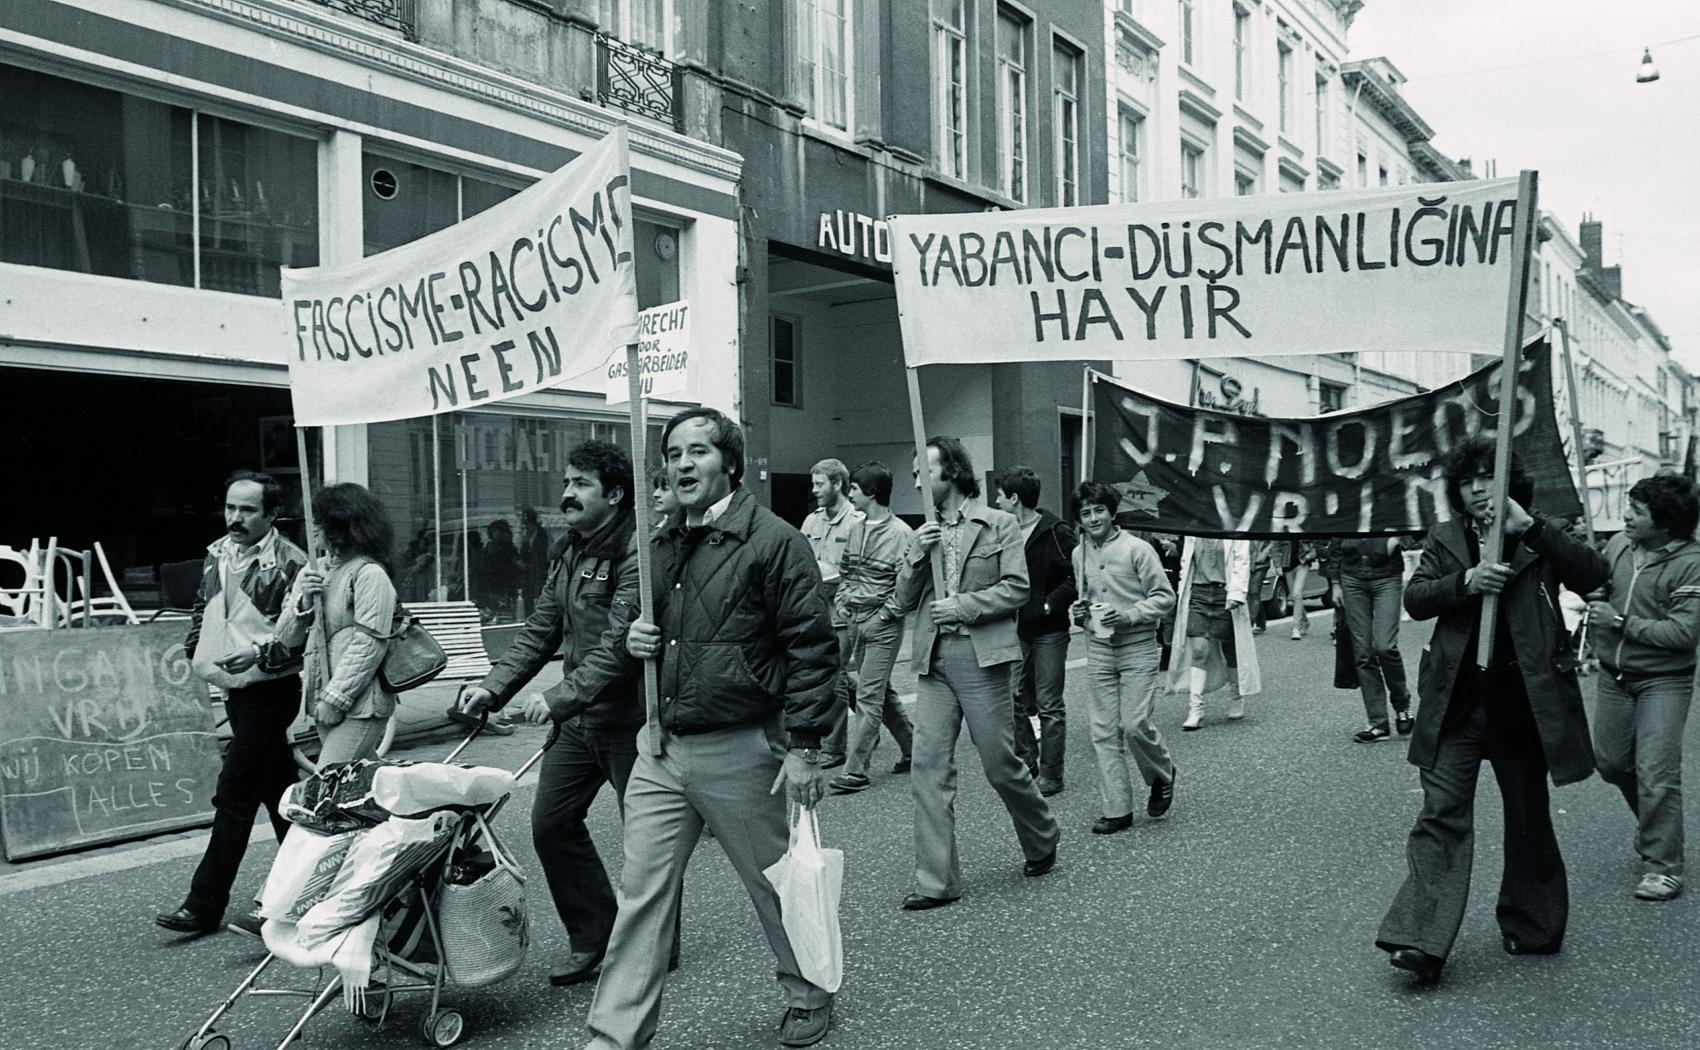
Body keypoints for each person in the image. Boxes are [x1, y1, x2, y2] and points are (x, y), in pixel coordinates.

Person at [587, 408, 839, 1050]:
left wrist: (807, 747)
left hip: (742, 745)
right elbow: (646, 635)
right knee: (641, 896)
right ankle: (614, 1035)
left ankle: (809, 990)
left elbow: (811, 646)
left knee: (774, 883)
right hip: (662, 747)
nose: (682, 463)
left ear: (728, 461)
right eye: (673, 453)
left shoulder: (775, 540)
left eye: (698, 451)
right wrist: (638, 641)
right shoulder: (660, 541)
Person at [1376, 437, 1608, 982]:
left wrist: (1530, 528)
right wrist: (1465, 582)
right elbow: (1416, 598)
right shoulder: (1446, 537)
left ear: (1511, 484)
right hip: (1456, 703)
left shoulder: (1539, 533)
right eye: (1467, 480)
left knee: (1527, 816)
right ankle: (1419, 941)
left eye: (1488, 477)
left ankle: (1532, 925)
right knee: (1440, 816)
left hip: (1525, 702)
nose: (1478, 489)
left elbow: (1593, 574)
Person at [459, 441, 668, 986]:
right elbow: (541, 629)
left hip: (631, 719)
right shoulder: (569, 548)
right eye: (567, 481)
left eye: (580, 483)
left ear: (616, 494)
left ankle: (654, 939)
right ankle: (595, 935)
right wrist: (494, 688)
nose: (566, 493)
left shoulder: (639, 553)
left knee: (644, 840)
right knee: (550, 825)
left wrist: (556, 699)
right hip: (578, 724)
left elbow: (620, 646)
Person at [894, 437, 1059, 910]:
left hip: (981, 657)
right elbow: (905, 601)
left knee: (999, 765)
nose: (916, 480)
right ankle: (936, 881)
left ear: (951, 471)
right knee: (927, 767)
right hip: (932, 658)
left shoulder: (999, 524)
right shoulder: (920, 531)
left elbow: (1017, 590)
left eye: (922, 470)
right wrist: (913, 557)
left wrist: (963, 606)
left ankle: (1042, 834)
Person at [156, 470, 308, 937]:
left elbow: (298, 638)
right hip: (233, 688)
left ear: (271, 514)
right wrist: (195, 650)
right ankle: (307, 884)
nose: (235, 518)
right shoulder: (217, 553)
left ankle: (203, 904)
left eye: (247, 510)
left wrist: (257, 654)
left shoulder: (293, 564)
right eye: (230, 508)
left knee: (234, 795)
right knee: (280, 795)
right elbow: (204, 606)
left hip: (271, 690)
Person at [1587, 474, 1700, 902]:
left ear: (1667, 524)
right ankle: (1656, 826)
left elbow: (1683, 633)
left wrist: (1618, 623)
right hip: (1614, 674)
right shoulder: (1619, 544)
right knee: (1612, 763)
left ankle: (1664, 865)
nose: (1626, 516)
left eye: (1637, 511)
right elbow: (1601, 585)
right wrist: (1595, 587)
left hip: (1664, 679)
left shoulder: (1691, 562)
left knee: (1656, 771)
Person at [1068, 481, 1177, 835]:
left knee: (1134, 725)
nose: (1093, 517)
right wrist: (1078, 611)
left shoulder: (1138, 550)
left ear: (1112, 512)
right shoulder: (1078, 553)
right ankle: (1117, 809)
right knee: (1102, 732)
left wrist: (1129, 615)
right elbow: (1082, 599)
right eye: (1085, 513)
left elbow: (1165, 597)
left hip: (1138, 646)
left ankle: (1162, 773)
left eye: (1099, 510)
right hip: (1098, 648)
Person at [274, 482, 401, 768]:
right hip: (323, 695)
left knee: (326, 782)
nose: (314, 529)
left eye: (322, 523)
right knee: (360, 787)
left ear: (345, 527)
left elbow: (370, 644)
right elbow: (286, 639)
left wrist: (335, 699)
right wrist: (303, 601)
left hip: (361, 702)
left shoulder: (370, 574)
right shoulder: (312, 570)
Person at [828, 461, 917, 793]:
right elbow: (847, 570)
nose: (849, 493)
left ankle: (856, 770)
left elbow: (905, 586)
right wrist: (843, 601)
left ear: (871, 492)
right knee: (879, 690)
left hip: (883, 624)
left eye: (853, 488)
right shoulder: (857, 529)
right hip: (856, 619)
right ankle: (914, 749)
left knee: (867, 695)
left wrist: (884, 616)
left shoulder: (902, 534)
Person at [994, 465, 1077, 795]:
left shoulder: (1056, 530)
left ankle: (1052, 773)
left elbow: (1076, 576)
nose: (996, 502)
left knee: (1049, 704)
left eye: (1000, 496)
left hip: (1050, 629)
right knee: (1010, 695)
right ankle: (1027, 759)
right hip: (1014, 625)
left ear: (1014, 498)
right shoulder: (1003, 531)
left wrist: (1049, 604)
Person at [800, 458, 861, 768]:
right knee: (858, 683)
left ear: (838, 484)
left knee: (834, 676)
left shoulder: (857, 522)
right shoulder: (811, 522)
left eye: (819, 484)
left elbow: (863, 572)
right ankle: (893, 732)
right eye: (813, 484)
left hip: (845, 612)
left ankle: (834, 748)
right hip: (816, 613)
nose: (815, 490)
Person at [1168, 536, 1261, 730]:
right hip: (1198, 593)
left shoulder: (1232, 524)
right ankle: (1195, 709)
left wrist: (1237, 593)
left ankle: (1237, 696)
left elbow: (1241, 560)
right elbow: (1186, 561)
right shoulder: (1194, 528)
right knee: (1200, 650)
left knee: (1231, 649)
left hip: (1225, 592)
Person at [1327, 536, 1414, 742]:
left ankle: (1402, 704)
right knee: (1363, 652)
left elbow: (1418, 518)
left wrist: (1400, 539)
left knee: (1385, 646)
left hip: (1387, 575)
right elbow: (1335, 538)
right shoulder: (1346, 504)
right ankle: (1378, 722)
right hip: (1352, 576)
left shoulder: (1392, 502)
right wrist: (1335, 582)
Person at [1283, 540, 1320, 640]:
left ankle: (1296, 628)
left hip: (1302, 564)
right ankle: (1305, 620)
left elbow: (1316, 542)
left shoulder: (1305, 527)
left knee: (1296, 593)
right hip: (1287, 565)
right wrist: (1277, 565)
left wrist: (1310, 555)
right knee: (1295, 597)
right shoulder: (1282, 529)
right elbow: (1275, 547)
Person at [518, 506, 553, 607]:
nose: (522, 519)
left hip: (538, 571)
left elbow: (542, 553)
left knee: (539, 595)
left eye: (524, 516)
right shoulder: (525, 533)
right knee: (527, 596)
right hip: (528, 573)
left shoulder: (540, 533)